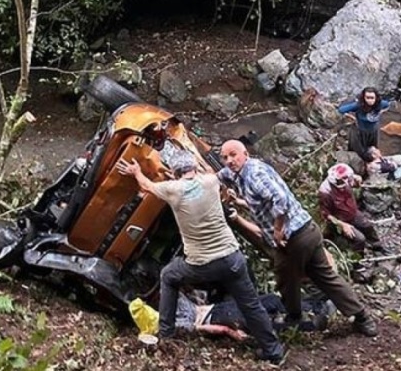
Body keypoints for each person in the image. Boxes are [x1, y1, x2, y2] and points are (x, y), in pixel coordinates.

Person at [116, 150, 285, 363]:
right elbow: (217, 178)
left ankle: (166, 336)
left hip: (201, 264)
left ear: (175, 173)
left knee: (169, 275)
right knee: (251, 305)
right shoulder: (210, 181)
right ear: (194, 168)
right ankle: (274, 352)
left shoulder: (172, 189)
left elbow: (146, 185)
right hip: (232, 258)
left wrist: (136, 171)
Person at [217, 139, 379, 337]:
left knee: (285, 278)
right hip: (308, 230)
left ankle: (293, 318)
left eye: (233, 155)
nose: (229, 161)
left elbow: (281, 200)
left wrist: (278, 229)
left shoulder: (254, 175)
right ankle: (362, 317)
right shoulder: (239, 173)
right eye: (225, 157)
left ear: (245, 154)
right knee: (325, 277)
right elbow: (222, 178)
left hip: (294, 238)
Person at [173, 291, 336, 340]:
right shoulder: (171, 323)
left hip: (220, 308)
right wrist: (229, 332)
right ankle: (312, 323)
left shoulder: (173, 298)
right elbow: (199, 328)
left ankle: (318, 307)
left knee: (270, 301)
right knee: (265, 323)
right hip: (218, 317)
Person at [318, 163, 386, 253]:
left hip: (352, 212)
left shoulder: (346, 177)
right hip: (341, 220)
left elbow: (357, 185)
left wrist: (358, 181)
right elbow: (326, 215)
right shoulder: (325, 192)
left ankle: (377, 246)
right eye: (342, 182)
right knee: (360, 239)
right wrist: (342, 225)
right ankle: (357, 260)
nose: (345, 184)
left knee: (368, 226)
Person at [338, 87, 391, 161]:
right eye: (367, 98)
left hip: (373, 131)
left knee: (373, 149)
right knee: (359, 151)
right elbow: (341, 110)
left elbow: (388, 105)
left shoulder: (381, 104)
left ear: (376, 98)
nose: (370, 100)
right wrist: (351, 117)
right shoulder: (358, 105)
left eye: (372, 98)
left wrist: (382, 111)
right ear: (364, 98)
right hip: (360, 132)